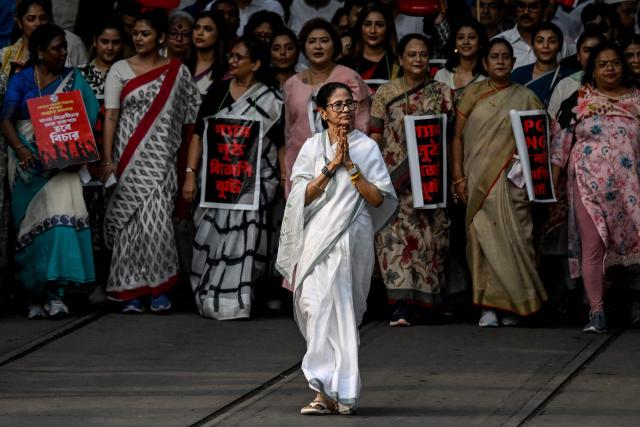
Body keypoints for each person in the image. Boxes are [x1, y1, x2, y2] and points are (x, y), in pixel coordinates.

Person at [276, 82, 397, 415]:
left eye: (350, 104)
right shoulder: (312, 148)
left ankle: (334, 393)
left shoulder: (367, 149)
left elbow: (378, 200)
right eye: (339, 104)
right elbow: (299, 198)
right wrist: (331, 166)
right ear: (322, 112)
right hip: (317, 238)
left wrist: (352, 168)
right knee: (315, 308)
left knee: (343, 312)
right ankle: (323, 387)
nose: (346, 110)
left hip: (352, 237)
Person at [102, 10, 201, 313]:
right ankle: (129, 291)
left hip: (161, 161)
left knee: (157, 225)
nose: (138, 38)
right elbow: (111, 115)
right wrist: (107, 160)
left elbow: (192, 119)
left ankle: (160, 288)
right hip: (127, 158)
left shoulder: (177, 71)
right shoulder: (119, 69)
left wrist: (189, 171)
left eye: (145, 34)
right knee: (129, 226)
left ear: (160, 38)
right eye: (136, 34)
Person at [0, 24, 99, 319]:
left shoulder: (74, 80)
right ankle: (34, 295)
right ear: (40, 52)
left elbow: (87, 119)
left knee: (58, 226)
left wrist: (71, 151)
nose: (63, 53)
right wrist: (22, 149)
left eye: (64, 47)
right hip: (27, 167)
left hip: (61, 168)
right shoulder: (21, 81)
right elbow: (5, 120)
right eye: (56, 48)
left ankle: (56, 295)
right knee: (29, 229)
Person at [183, 36, 283, 320]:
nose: (232, 61)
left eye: (239, 57)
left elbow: (279, 145)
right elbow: (198, 135)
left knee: (246, 240)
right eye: (231, 56)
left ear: (256, 64)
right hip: (218, 182)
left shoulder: (271, 100)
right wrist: (190, 176)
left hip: (254, 184)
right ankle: (210, 293)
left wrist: (286, 178)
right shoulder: (217, 91)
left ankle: (238, 299)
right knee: (212, 237)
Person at [451, 38, 548, 327]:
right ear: (485, 62)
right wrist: (458, 178)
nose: (501, 61)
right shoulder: (473, 94)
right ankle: (488, 308)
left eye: (506, 56)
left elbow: (538, 144)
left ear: (513, 62)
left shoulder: (527, 97)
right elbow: (456, 137)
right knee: (481, 244)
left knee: (517, 240)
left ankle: (514, 306)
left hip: (512, 185)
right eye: (494, 56)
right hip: (477, 181)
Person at [551, 42, 640, 333]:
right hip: (588, 185)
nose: (610, 68)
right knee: (593, 246)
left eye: (614, 62)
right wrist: (551, 184)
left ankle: (630, 305)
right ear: (593, 69)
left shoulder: (637, 100)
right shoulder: (578, 103)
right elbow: (560, 145)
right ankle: (597, 312)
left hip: (630, 190)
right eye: (602, 64)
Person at [369, 34, 454, 326]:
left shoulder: (441, 92)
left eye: (423, 54)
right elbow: (375, 136)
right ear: (401, 59)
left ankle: (428, 304)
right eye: (411, 54)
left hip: (430, 179)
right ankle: (400, 305)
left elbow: (451, 136)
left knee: (431, 241)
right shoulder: (385, 93)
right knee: (393, 241)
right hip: (393, 180)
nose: (417, 59)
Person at [283, 18, 370, 197]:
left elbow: (362, 125)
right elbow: (289, 131)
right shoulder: (291, 84)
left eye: (324, 41)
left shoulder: (349, 78)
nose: (318, 47)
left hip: (343, 162)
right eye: (312, 41)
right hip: (302, 164)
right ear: (304, 47)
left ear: (335, 45)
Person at [77, 19, 124, 302]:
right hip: (84, 159)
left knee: (115, 218)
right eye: (105, 42)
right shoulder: (78, 75)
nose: (109, 47)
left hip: (120, 157)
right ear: (95, 41)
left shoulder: (128, 73)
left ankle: (116, 281)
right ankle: (91, 284)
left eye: (116, 42)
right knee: (89, 218)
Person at [0, 0, 88, 78]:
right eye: (31, 19)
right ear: (19, 22)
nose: (38, 23)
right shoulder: (5, 55)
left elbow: (85, 81)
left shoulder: (71, 44)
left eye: (43, 18)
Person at [339, 3, 400, 93]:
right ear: (360, 27)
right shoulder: (344, 64)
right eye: (367, 24)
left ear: (388, 27)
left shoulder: (399, 63)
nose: (373, 30)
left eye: (379, 25)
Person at [495, 0, 573, 68]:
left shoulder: (559, 44)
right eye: (521, 6)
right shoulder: (499, 42)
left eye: (533, 7)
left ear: (544, 9)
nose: (526, 12)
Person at [548, 30, 606, 119]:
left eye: (597, 50)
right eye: (587, 50)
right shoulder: (565, 85)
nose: (592, 55)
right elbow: (552, 121)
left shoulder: (617, 84)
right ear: (578, 55)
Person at [511, 22, 572, 107]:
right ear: (532, 45)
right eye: (539, 41)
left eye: (552, 41)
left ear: (560, 46)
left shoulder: (569, 76)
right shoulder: (518, 75)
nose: (545, 46)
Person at [435, 19, 488, 96]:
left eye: (472, 37)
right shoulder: (442, 75)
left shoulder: (487, 76)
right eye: (460, 38)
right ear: (455, 43)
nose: (466, 42)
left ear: (480, 42)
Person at [187, 10, 228, 95]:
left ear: (219, 34)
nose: (200, 33)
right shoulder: (180, 65)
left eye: (208, 29)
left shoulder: (228, 70)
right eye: (196, 27)